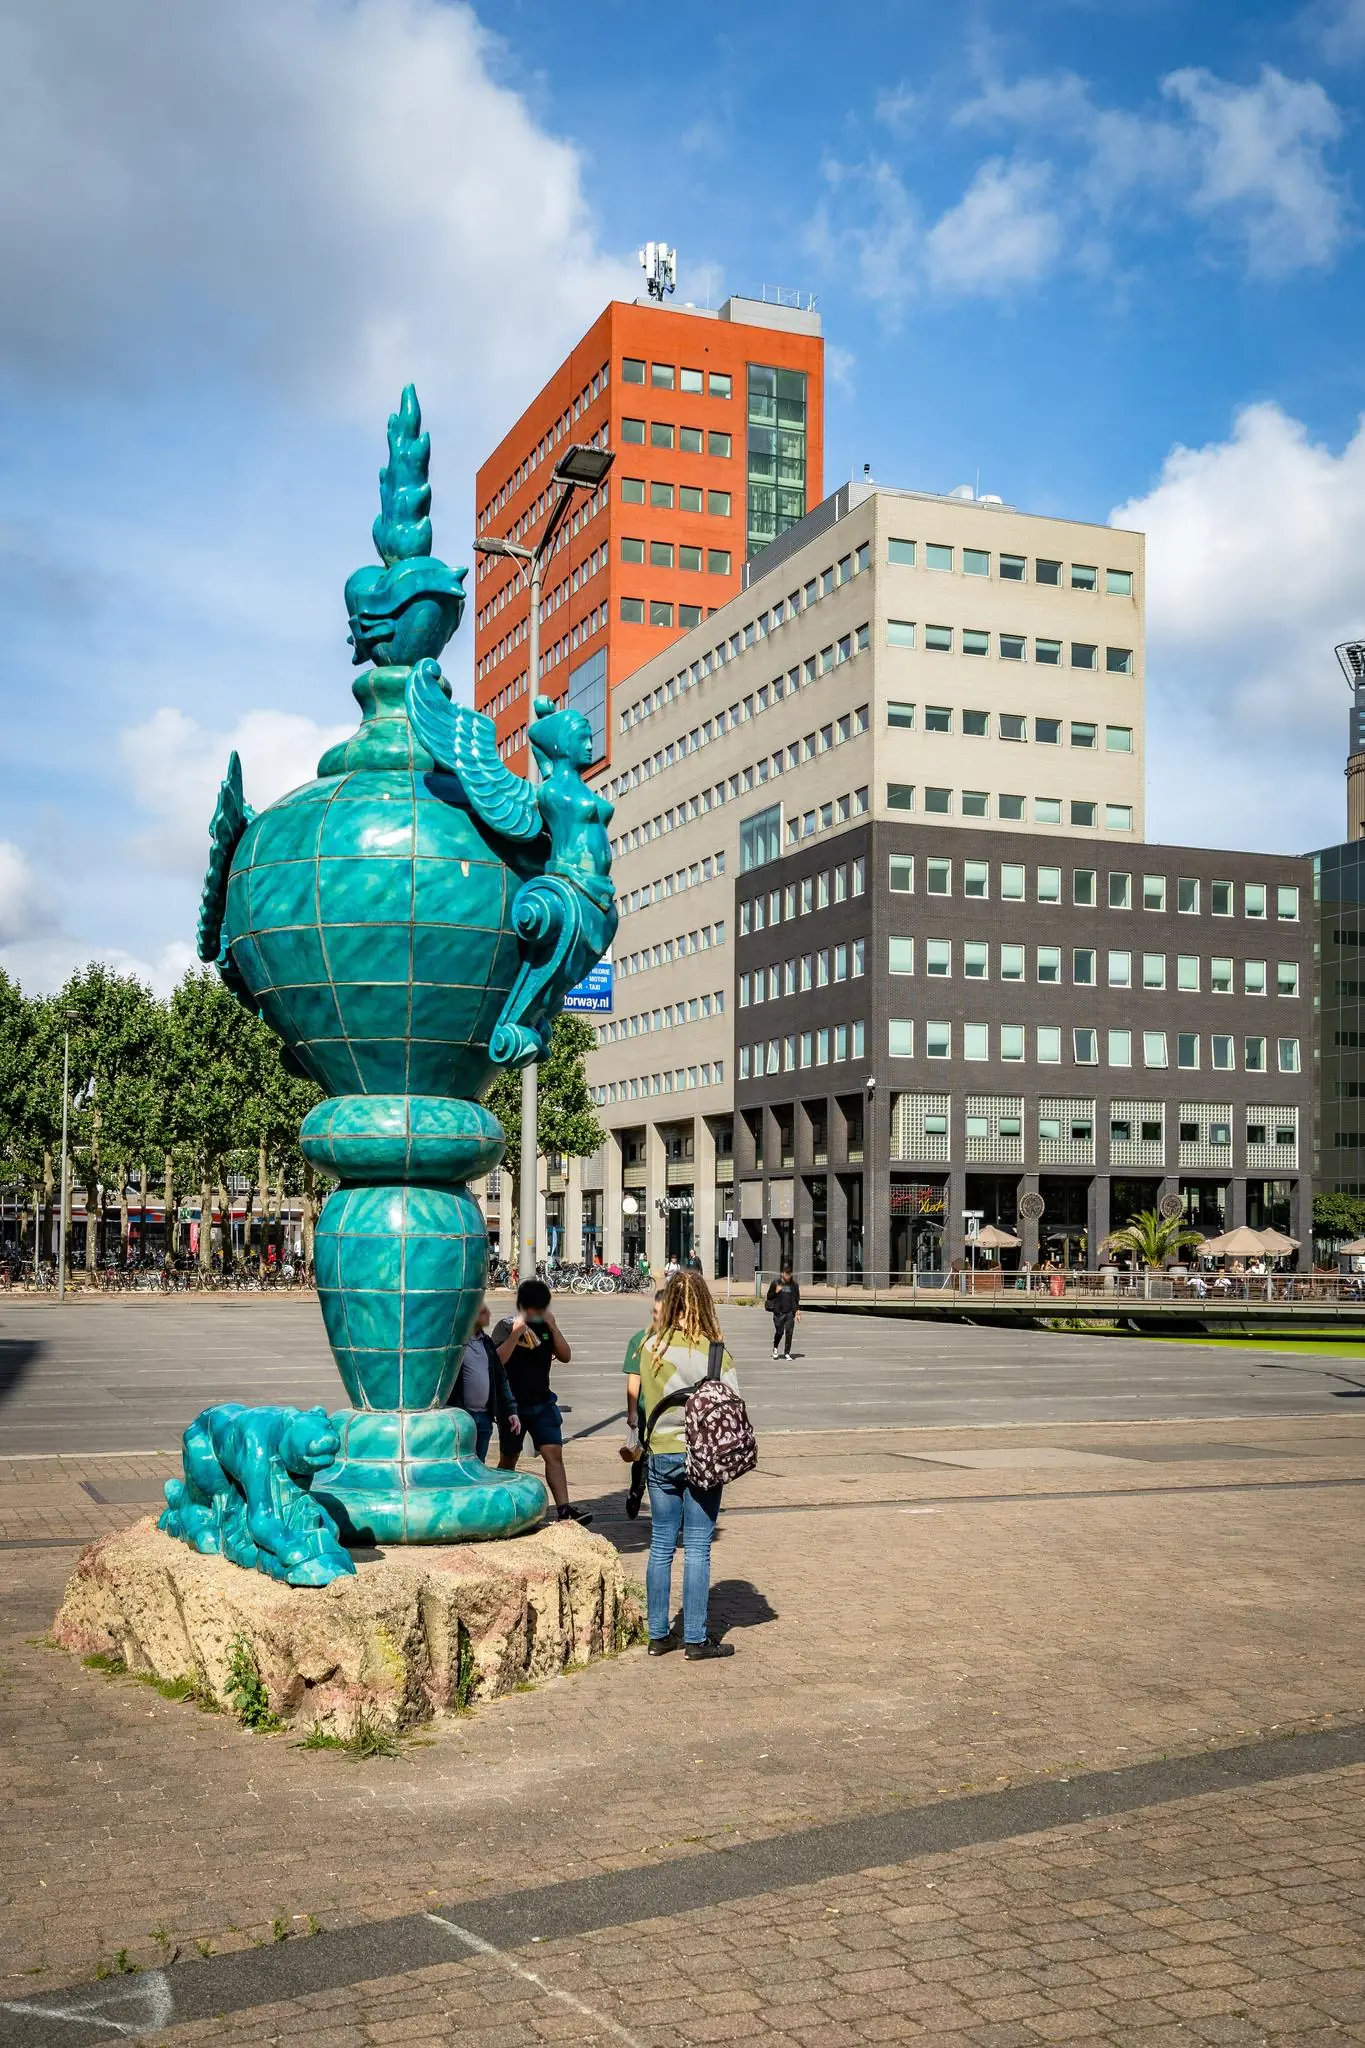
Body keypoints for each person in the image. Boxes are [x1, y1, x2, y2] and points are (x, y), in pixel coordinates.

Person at [625, 1270, 739, 1660]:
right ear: (705, 1303)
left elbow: (640, 1402)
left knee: (660, 1544)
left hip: (660, 1454)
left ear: (670, 1303)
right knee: (697, 1547)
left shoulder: (650, 1346)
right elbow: (732, 1405)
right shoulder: (715, 1351)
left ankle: (658, 1635)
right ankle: (695, 1638)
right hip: (703, 1456)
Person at [493, 1279, 591, 1524]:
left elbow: (565, 1356)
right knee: (509, 1456)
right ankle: (501, 1506)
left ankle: (564, 1509)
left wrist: (554, 1327)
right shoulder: (506, 1326)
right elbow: (497, 1360)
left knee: (553, 1454)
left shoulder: (546, 1327)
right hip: (513, 1406)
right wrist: (516, 1333)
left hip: (543, 1403)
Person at [449, 1303, 521, 1462]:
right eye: (482, 1311)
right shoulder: (455, 1343)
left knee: (479, 1465)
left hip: (484, 1418)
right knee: (461, 1463)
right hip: (463, 1417)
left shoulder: (486, 1342)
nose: (488, 1313)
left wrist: (511, 1411)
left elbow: (500, 1378)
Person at [620, 1288, 665, 1518]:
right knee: (643, 1458)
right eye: (655, 1312)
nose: (659, 1317)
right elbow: (633, 1380)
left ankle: (665, 1508)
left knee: (662, 1459)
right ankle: (637, 1488)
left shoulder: (682, 1340)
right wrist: (632, 1413)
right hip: (647, 1413)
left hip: (673, 1415)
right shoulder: (640, 1340)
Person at [764, 1263, 800, 1359]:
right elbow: (769, 1296)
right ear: (782, 1273)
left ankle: (787, 1353)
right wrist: (776, 1291)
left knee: (789, 1332)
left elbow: (796, 1299)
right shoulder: (776, 1283)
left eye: (789, 1274)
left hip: (789, 1313)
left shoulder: (794, 1285)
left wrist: (797, 1311)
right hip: (778, 1313)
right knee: (779, 1332)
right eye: (786, 1274)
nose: (788, 1276)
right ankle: (775, 1347)